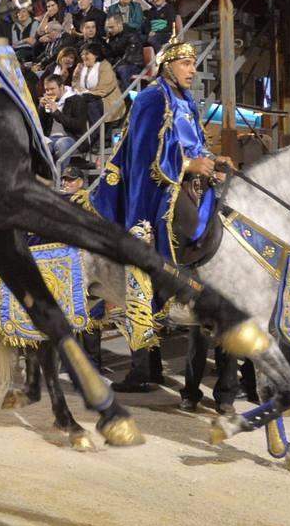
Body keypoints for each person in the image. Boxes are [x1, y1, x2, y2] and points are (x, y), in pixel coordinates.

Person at [92, 42, 229, 391]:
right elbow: (143, 156)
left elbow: (196, 144)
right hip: (154, 193)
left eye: (193, 63)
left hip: (188, 183)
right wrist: (187, 166)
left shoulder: (186, 102)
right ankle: (146, 359)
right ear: (167, 65)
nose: (192, 69)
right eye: (185, 62)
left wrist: (212, 163)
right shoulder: (153, 98)